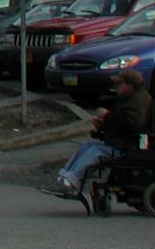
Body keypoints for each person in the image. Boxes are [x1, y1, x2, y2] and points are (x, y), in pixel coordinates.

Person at [41, 69, 151, 206]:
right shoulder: (129, 98)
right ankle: (64, 178)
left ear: (130, 85)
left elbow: (132, 125)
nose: (116, 87)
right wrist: (102, 124)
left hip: (129, 147)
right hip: (122, 142)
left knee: (95, 152)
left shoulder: (138, 100)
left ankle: (71, 181)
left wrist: (107, 116)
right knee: (86, 146)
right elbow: (120, 123)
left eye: (119, 84)